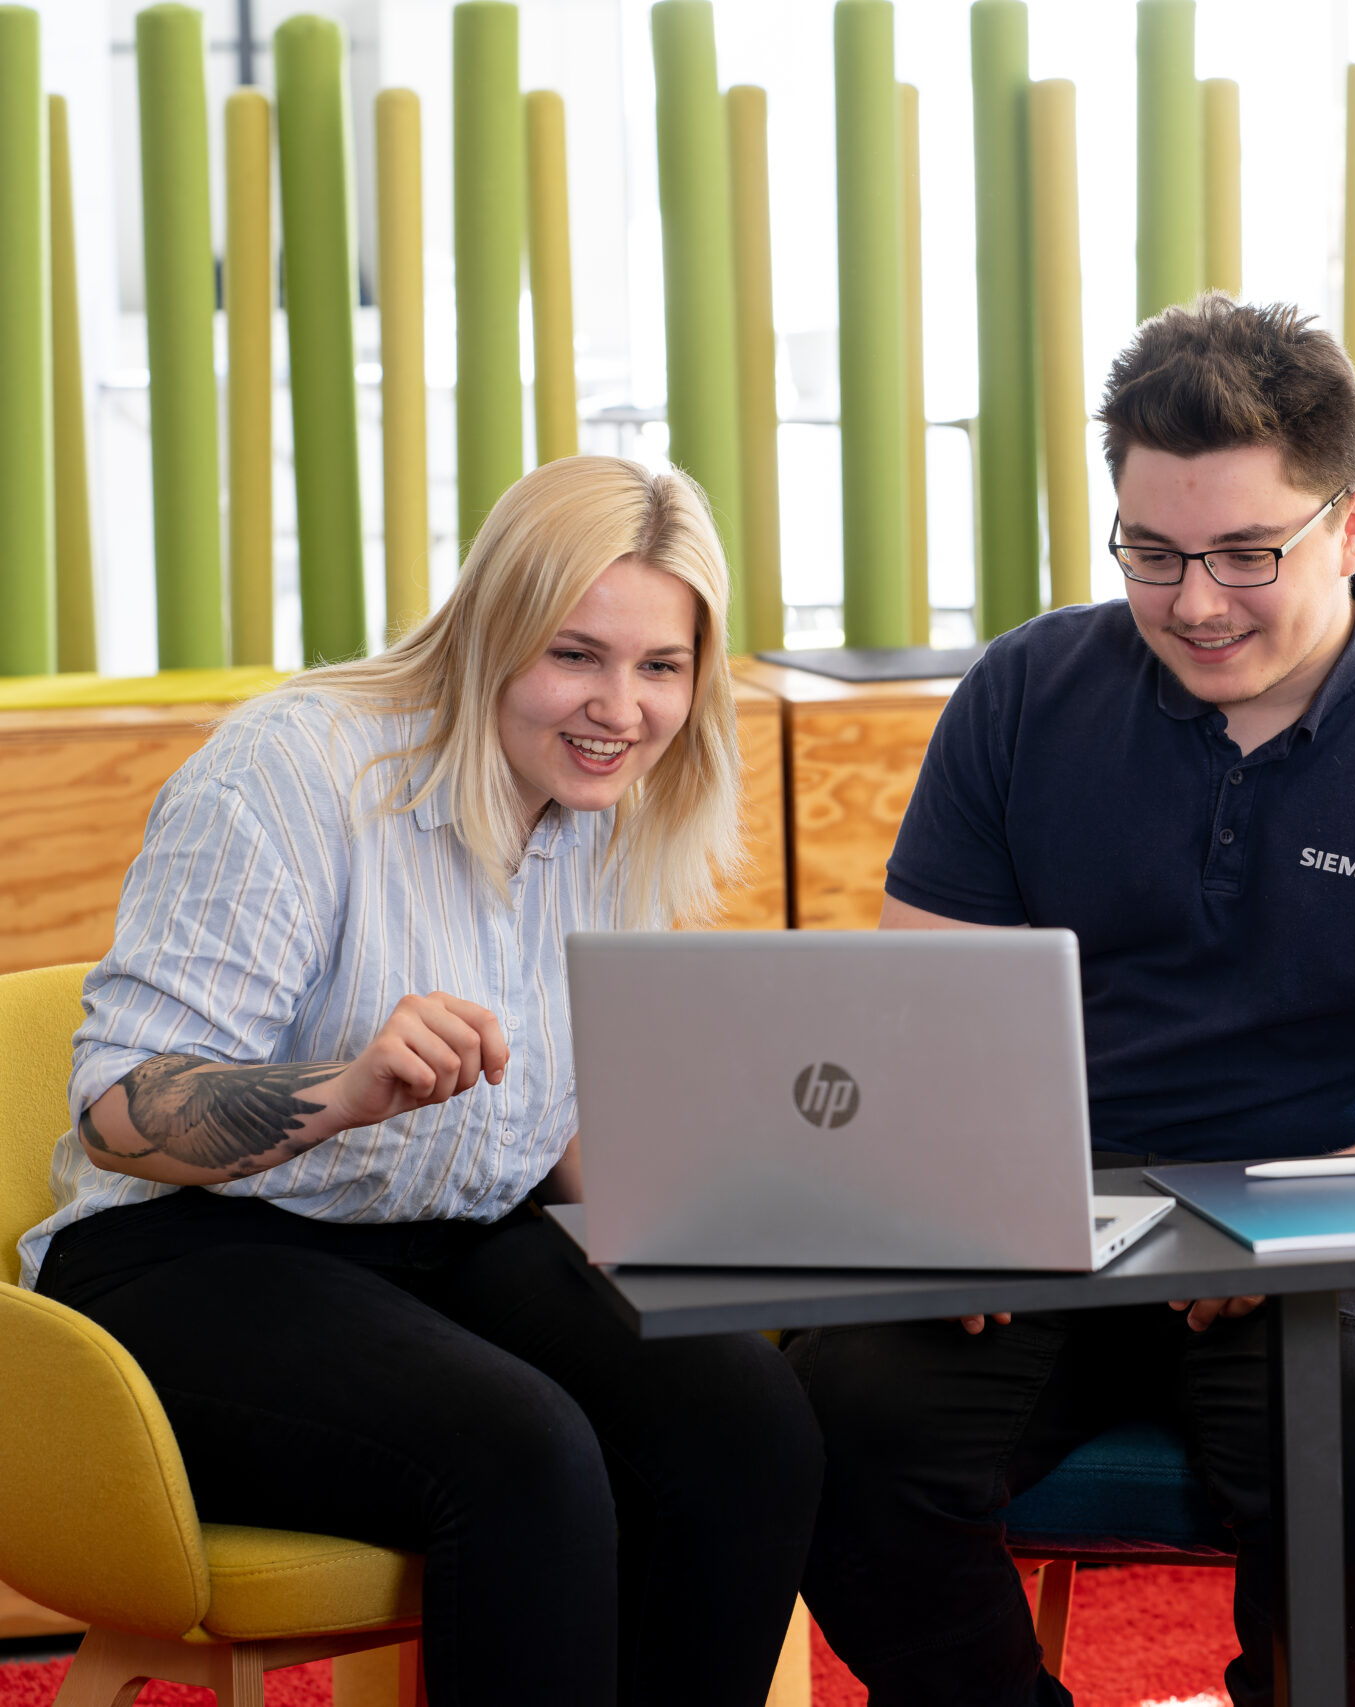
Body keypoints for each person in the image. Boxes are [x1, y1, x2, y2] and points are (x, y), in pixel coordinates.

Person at [786, 295, 1355, 1707]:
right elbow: (921, 1017)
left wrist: (1306, 1214)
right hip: (1054, 1216)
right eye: (1153, 552)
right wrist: (956, 1197)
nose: (1194, 601)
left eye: (1247, 553)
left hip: (1342, 1222)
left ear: (1352, 523)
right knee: (824, 1421)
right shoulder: (1021, 697)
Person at [20, 457, 824, 1707]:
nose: (620, 707)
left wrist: (791, 1237)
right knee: (526, 1454)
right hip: (193, 1255)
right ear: (491, 631)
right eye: (576, 656)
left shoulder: (615, 800)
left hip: (447, 1242)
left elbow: (567, 1135)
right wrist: (344, 1089)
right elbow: (122, 1114)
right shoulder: (297, 771)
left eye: (661, 668)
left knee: (744, 1419)